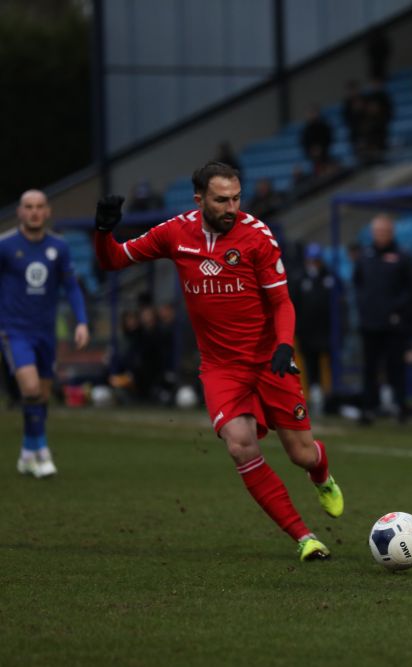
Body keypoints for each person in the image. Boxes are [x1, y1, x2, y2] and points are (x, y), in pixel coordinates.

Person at [92, 162, 344, 563]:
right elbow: (114, 261)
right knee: (241, 448)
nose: (232, 207)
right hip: (221, 367)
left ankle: (321, 473)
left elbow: (281, 301)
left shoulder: (257, 236)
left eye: (236, 198)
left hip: (268, 361)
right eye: (221, 199)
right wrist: (103, 231)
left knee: (301, 454)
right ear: (199, 199)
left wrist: (283, 346)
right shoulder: (175, 232)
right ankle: (304, 537)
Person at [0, 190, 89, 478]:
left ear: (47, 211)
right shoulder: (5, 245)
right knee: (30, 389)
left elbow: (72, 287)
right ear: (21, 211)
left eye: (39, 207)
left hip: (45, 332)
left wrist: (82, 322)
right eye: (29, 207)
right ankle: (43, 454)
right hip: (14, 331)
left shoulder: (59, 247)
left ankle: (27, 453)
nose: (35, 212)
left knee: (41, 398)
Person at [353, 215, 412, 423]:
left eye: (385, 231)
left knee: (396, 368)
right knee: (370, 369)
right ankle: (367, 409)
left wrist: (398, 310)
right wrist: (365, 307)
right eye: (378, 231)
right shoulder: (364, 256)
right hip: (370, 325)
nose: (381, 235)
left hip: (395, 325)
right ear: (373, 234)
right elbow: (357, 285)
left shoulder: (403, 256)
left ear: (392, 233)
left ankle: (401, 408)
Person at [289, 243, 333, 407]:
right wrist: (297, 328)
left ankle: (330, 394)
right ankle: (315, 394)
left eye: (317, 260)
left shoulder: (329, 277)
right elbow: (293, 304)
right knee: (310, 362)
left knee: (329, 361)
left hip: (327, 329)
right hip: (307, 330)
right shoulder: (299, 278)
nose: (314, 263)